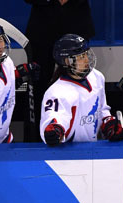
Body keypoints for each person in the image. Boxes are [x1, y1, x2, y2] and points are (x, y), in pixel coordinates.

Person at [40, 34, 123, 145]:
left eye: (85, 54)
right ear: (67, 61)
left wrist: (108, 123)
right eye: (80, 57)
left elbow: (101, 109)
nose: (86, 60)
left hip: (92, 150)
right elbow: (54, 118)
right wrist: (55, 129)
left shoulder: (97, 77)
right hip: (68, 155)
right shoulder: (56, 92)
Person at [24, 0, 95, 129]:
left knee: (79, 76)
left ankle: (82, 129)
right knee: (38, 83)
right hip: (42, 28)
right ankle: (38, 134)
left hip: (77, 21)